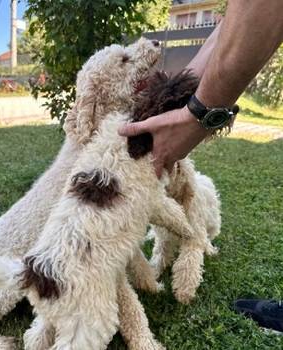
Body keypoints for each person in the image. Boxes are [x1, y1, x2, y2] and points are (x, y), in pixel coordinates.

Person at [118, 0, 283, 333]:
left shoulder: (192, 191)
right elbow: (232, 26)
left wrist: (201, 111)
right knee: (165, 240)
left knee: (197, 238)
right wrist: (172, 93)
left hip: (195, 207)